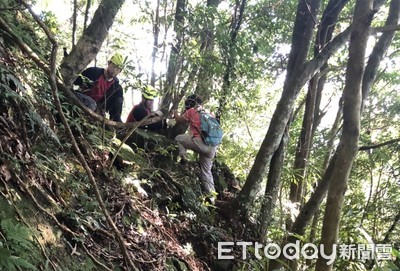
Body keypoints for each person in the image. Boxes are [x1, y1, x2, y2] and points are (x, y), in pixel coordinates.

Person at [173, 94, 218, 202]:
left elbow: (179, 120)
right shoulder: (209, 113)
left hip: (200, 144)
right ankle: (212, 198)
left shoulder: (192, 111)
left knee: (179, 138)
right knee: (206, 172)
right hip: (212, 147)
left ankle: (184, 159)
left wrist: (175, 111)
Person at [73, 53, 124, 122]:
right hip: (81, 99)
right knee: (92, 104)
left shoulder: (117, 89)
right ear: (109, 63)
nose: (115, 70)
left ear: (120, 71)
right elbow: (75, 80)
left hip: (97, 109)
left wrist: (117, 122)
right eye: (114, 66)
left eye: (118, 69)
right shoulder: (93, 72)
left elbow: (116, 110)